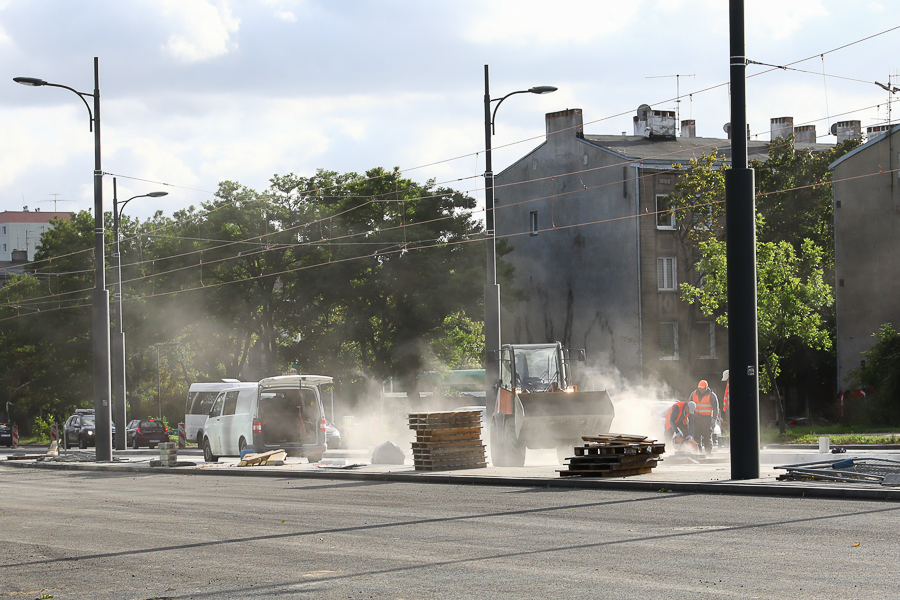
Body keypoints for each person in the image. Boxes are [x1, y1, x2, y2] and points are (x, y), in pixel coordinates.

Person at [689, 380, 719, 455]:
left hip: (706, 419)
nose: (701, 390)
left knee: (707, 437)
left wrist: (714, 420)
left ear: (706, 387)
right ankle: (698, 453)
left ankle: (708, 453)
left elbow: (716, 408)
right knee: (696, 437)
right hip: (696, 418)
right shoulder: (693, 394)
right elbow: (689, 405)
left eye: (703, 388)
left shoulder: (712, 395)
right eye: (700, 388)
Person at [721, 370, 730, 434]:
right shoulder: (728, 384)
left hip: (729, 407)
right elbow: (726, 396)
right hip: (728, 407)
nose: (726, 380)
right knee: (729, 422)